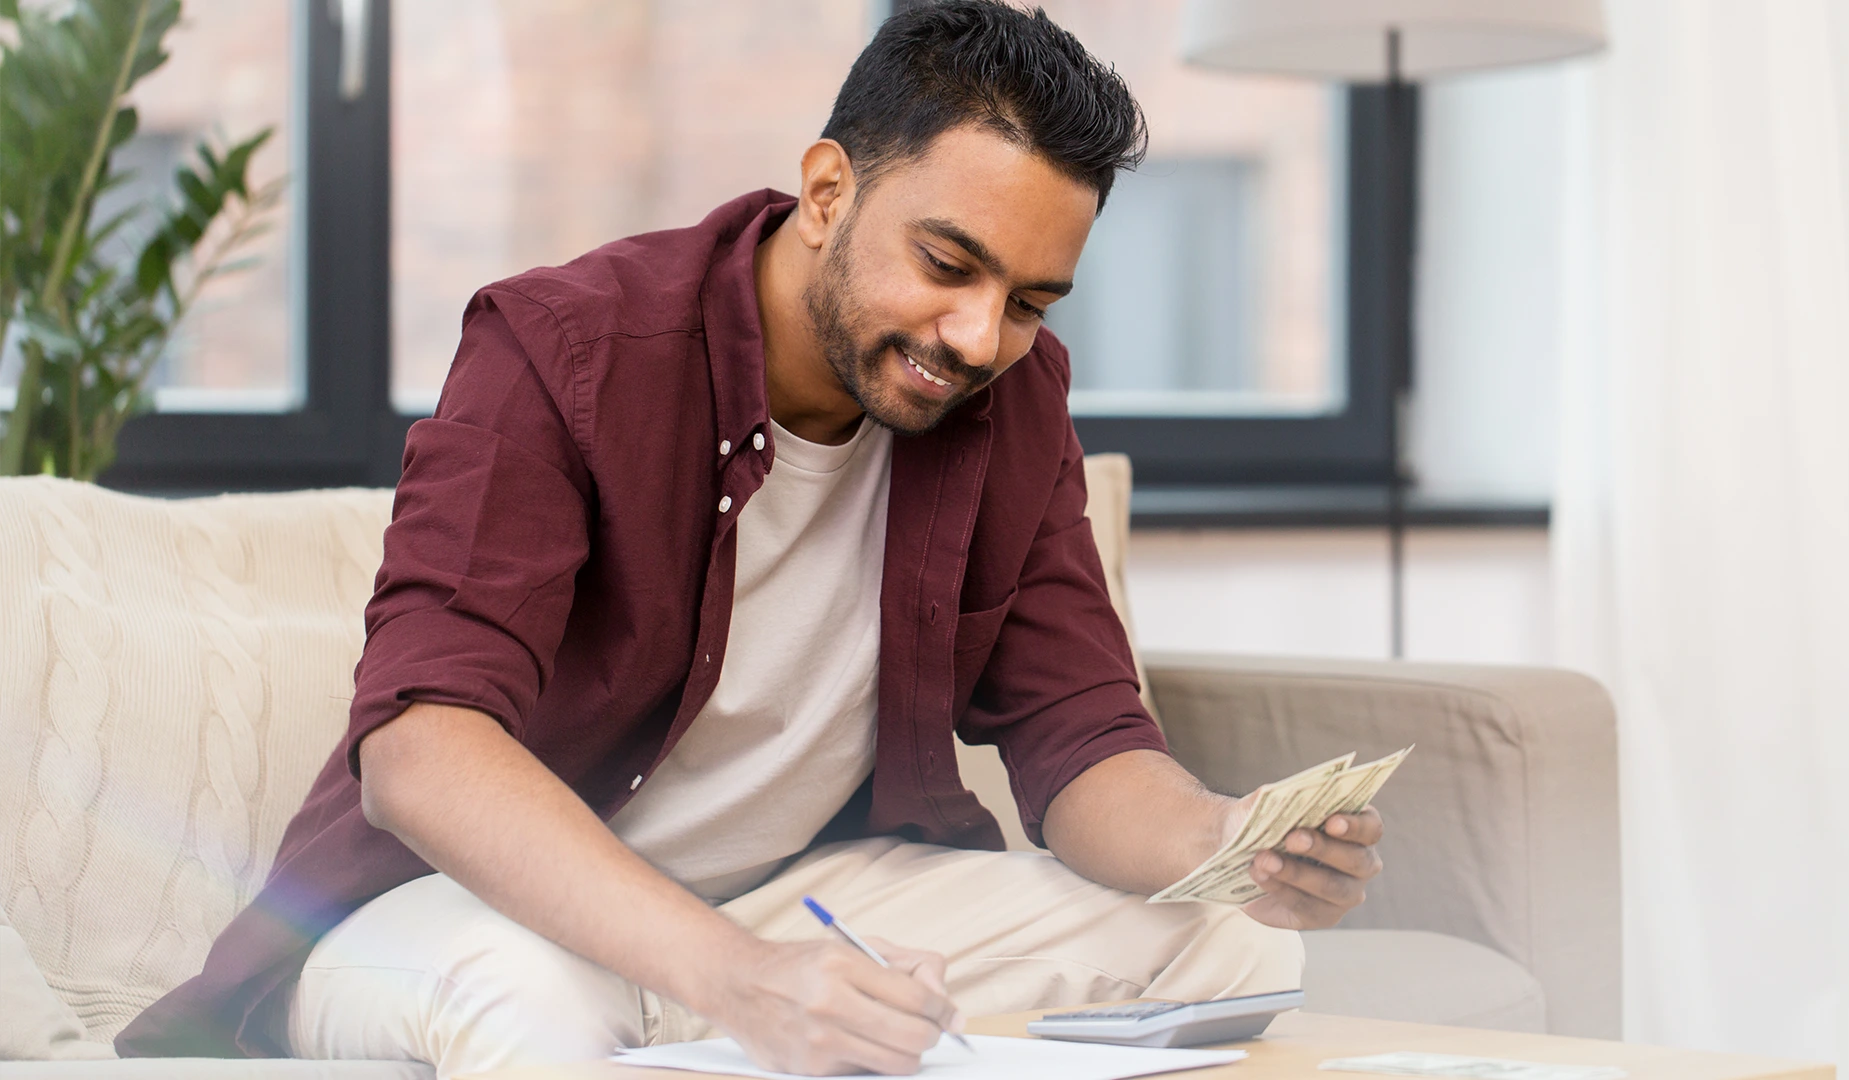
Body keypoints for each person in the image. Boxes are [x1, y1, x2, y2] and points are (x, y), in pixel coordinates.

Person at [117, 2, 1385, 1075]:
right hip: (467, 913)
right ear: (828, 189)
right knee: (542, 1005)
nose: (978, 336)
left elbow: (1081, 737)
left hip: (800, 901)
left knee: (1234, 946)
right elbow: (422, 748)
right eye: (949, 263)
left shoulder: (1016, 396)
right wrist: (741, 980)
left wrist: (1222, 846)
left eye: (1029, 300)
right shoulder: (565, 347)